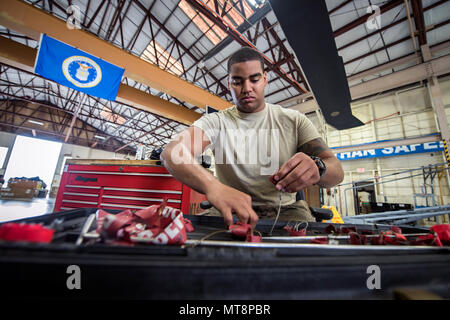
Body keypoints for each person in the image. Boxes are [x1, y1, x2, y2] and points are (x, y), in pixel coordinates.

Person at [161, 47, 344, 229]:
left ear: (265, 79)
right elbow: (172, 153)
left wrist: (318, 168)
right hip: (230, 208)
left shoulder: (294, 121)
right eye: (237, 81)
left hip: (286, 209)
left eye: (254, 79)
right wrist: (213, 187)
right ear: (228, 83)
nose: (247, 88)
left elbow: (337, 172)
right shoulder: (216, 122)